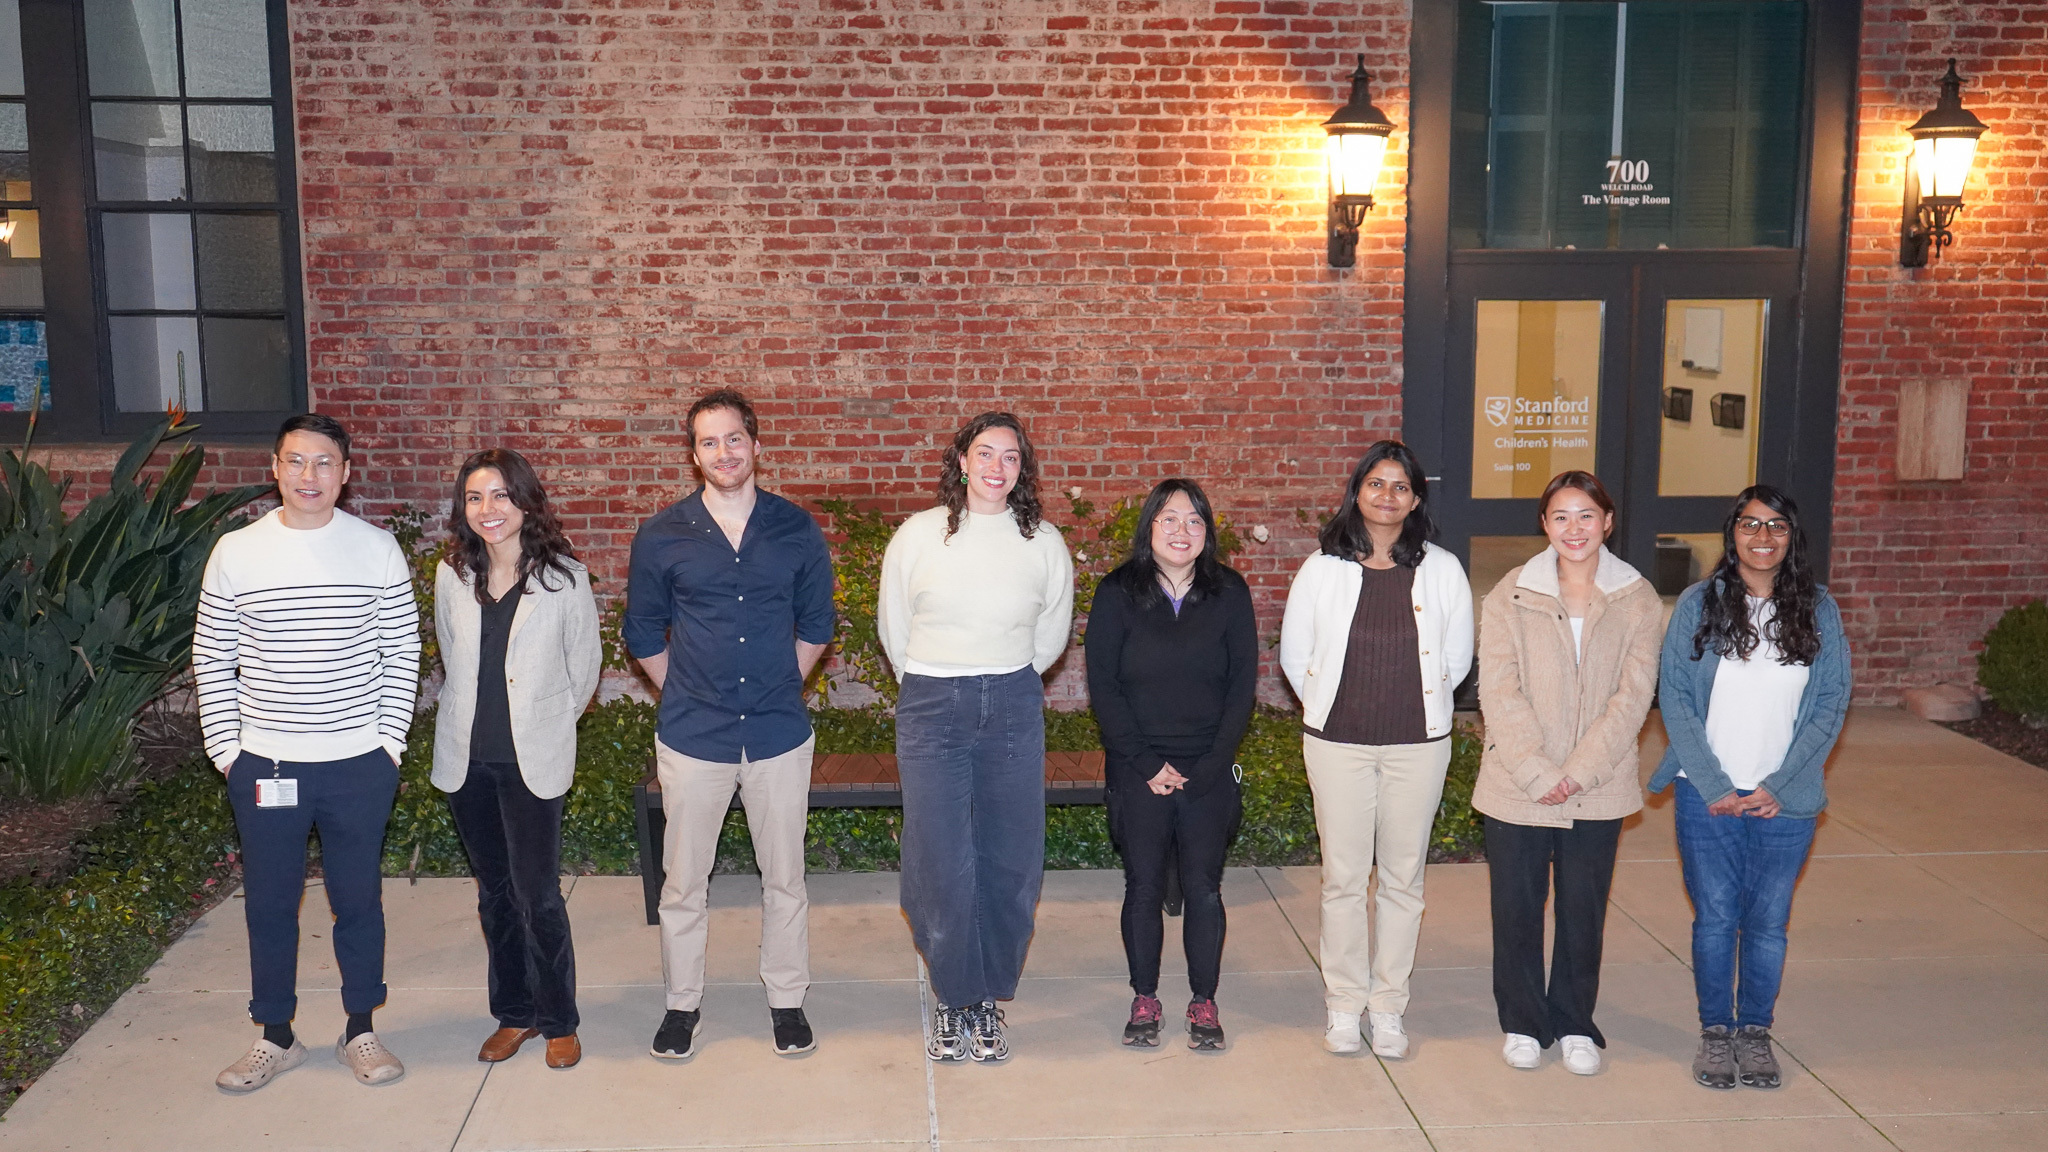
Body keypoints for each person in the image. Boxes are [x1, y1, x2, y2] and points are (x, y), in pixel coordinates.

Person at [197, 413, 421, 1092]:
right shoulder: (236, 551)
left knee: (357, 900)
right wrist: (226, 751)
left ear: (346, 473)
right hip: (265, 764)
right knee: (269, 904)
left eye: (324, 463)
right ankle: (275, 1036)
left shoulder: (376, 548)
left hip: (358, 764)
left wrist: (388, 745)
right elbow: (212, 656)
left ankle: (361, 1030)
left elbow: (401, 649)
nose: (309, 476)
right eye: (296, 462)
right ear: (274, 468)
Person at [624, 389, 836, 1062]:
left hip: (777, 732)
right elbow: (642, 634)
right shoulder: (662, 534)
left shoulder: (795, 528)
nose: (724, 452)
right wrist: (691, 691)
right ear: (694, 454)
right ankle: (682, 1005)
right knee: (683, 882)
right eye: (710, 442)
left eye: (735, 438)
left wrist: (777, 686)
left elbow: (817, 627)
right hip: (694, 736)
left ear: (756, 443)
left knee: (785, 877)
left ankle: (786, 1000)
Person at [879, 411, 1074, 1063]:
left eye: (1010, 457)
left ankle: (986, 994)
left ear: (1022, 469)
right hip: (932, 702)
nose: (996, 466)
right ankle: (953, 996)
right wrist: (939, 681)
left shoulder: (1042, 541)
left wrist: (1002, 678)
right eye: (984, 453)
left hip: (1013, 702)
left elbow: (1050, 635)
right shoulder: (917, 536)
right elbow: (894, 628)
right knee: (940, 857)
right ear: (960, 460)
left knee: (1010, 856)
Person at [1649, 485, 1850, 1091]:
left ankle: (1755, 1035)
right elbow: (1676, 699)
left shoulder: (1818, 609)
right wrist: (1713, 784)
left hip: (1784, 802)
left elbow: (1831, 703)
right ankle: (1716, 1034)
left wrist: (1781, 785)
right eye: (1750, 525)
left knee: (1766, 923)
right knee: (1714, 919)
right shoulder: (1697, 604)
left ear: (1792, 538)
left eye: (1777, 527)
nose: (1763, 538)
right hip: (1706, 794)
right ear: (1731, 533)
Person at [1279, 440, 1475, 1060]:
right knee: (1341, 879)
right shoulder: (1322, 567)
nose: (1387, 496)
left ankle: (1388, 1006)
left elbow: (1456, 658)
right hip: (1338, 744)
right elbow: (1296, 653)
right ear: (1357, 492)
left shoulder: (1442, 569)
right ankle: (1343, 1004)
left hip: (1418, 746)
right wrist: (1322, 708)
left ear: (1415, 499)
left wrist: (1426, 709)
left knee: (1402, 880)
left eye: (1400, 486)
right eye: (1376, 483)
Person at [1472, 470, 1661, 1076]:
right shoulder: (1510, 593)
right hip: (1517, 784)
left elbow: (1633, 698)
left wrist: (1577, 773)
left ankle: (1576, 1020)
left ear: (1607, 521)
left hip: (1598, 783)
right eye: (1560, 516)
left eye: (1586, 515)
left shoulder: (1637, 597)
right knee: (1517, 908)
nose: (1573, 528)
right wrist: (1535, 770)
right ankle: (1524, 1021)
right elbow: (1497, 688)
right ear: (1544, 524)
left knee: (1583, 908)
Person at [431, 449, 602, 1070]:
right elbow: (453, 658)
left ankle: (558, 1019)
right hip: (467, 762)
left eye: (501, 495)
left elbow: (583, 672)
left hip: (533, 760)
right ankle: (515, 1013)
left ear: (526, 500)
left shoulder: (564, 576)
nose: (488, 510)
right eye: (475, 498)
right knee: (494, 896)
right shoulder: (452, 575)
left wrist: (546, 722)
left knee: (538, 896)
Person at [1085, 479, 1258, 1051]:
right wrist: (1143, 762)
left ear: (1207, 532)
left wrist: (1212, 765)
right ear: (1149, 527)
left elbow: (1241, 690)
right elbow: (1104, 689)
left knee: (1205, 889)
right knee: (1143, 886)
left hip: (1208, 767)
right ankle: (1145, 996)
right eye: (1169, 519)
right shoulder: (1117, 593)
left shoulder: (1229, 593)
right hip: (1139, 769)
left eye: (1193, 521)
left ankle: (1203, 999)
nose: (1181, 531)